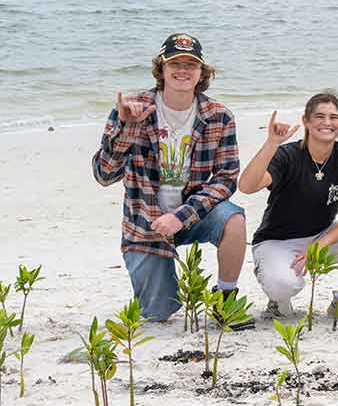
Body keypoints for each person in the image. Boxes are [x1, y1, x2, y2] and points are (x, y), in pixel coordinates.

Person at [91, 33, 247, 323]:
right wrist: (126, 127)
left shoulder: (219, 115)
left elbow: (226, 179)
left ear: (202, 73)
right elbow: (104, 175)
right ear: (161, 69)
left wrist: (182, 215)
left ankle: (226, 299)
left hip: (194, 213)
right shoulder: (132, 107)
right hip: (145, 221)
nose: (183, 70)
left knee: (234, 219)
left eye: (191, 64)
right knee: (158, 312)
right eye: (175, 63)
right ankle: (155, 276)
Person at [238, 92, 338, 319]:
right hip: (277, 241)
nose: (327, 123)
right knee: (282, 285)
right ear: (306, 121)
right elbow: (246, 186)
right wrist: (272, 143)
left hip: (321, 235)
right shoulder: (288, 155)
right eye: (319, 116)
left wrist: (318, 247)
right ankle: (278, 302)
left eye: (334, 117)